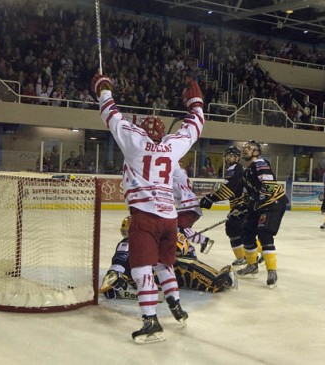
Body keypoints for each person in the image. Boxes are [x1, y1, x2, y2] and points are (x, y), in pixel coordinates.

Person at [93, 73, 204, 344]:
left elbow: (110, 114)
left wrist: (103, 88)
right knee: (164, 264)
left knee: (141, 267)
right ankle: (176, 306)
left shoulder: (134, 140)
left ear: (142, 129)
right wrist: (196, 104)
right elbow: (194, 129)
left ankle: (151, 321)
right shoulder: (171, 147)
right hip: (169, 218)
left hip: (145, 217)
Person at [100, 216, 236, 299]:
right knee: (184, 264)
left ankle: (215, 275)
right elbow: (119, 261)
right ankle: (214, 281)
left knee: (182, 263)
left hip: (153, 275)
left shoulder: (147, 239)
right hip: (145, 278)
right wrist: (112, 279)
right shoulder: (128, 242)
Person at [234, 140, 288, 289]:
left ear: (256, 152)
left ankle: (272, 271)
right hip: (260, 205)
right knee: (247, 231)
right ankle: (252, 266)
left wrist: (256, 201)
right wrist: (241, 207)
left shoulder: (260, 163)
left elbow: (269, 186)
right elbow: (248, 194)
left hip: (273, 204)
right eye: (244, 148)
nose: (245, 150)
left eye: (249, 148)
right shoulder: (247, 171)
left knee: (264, 233)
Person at [199, 146, 263, 266]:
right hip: (241, 205)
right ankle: (249, 255)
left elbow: (230, 189)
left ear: (237, 157)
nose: (228, 157)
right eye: (227, 155)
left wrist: (211, 199)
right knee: (236, 230)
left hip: (243, 205)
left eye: (231, 155)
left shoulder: (236, 169)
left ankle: (259, 252)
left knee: (237, 229)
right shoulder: (234, 169)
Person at [173, 162, 214, 254]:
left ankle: (204, 240)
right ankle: (190, 251)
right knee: (180, 233)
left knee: (178, 229)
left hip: (188, 206)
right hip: (188, 206)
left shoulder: (174, 171)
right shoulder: (179, 172)